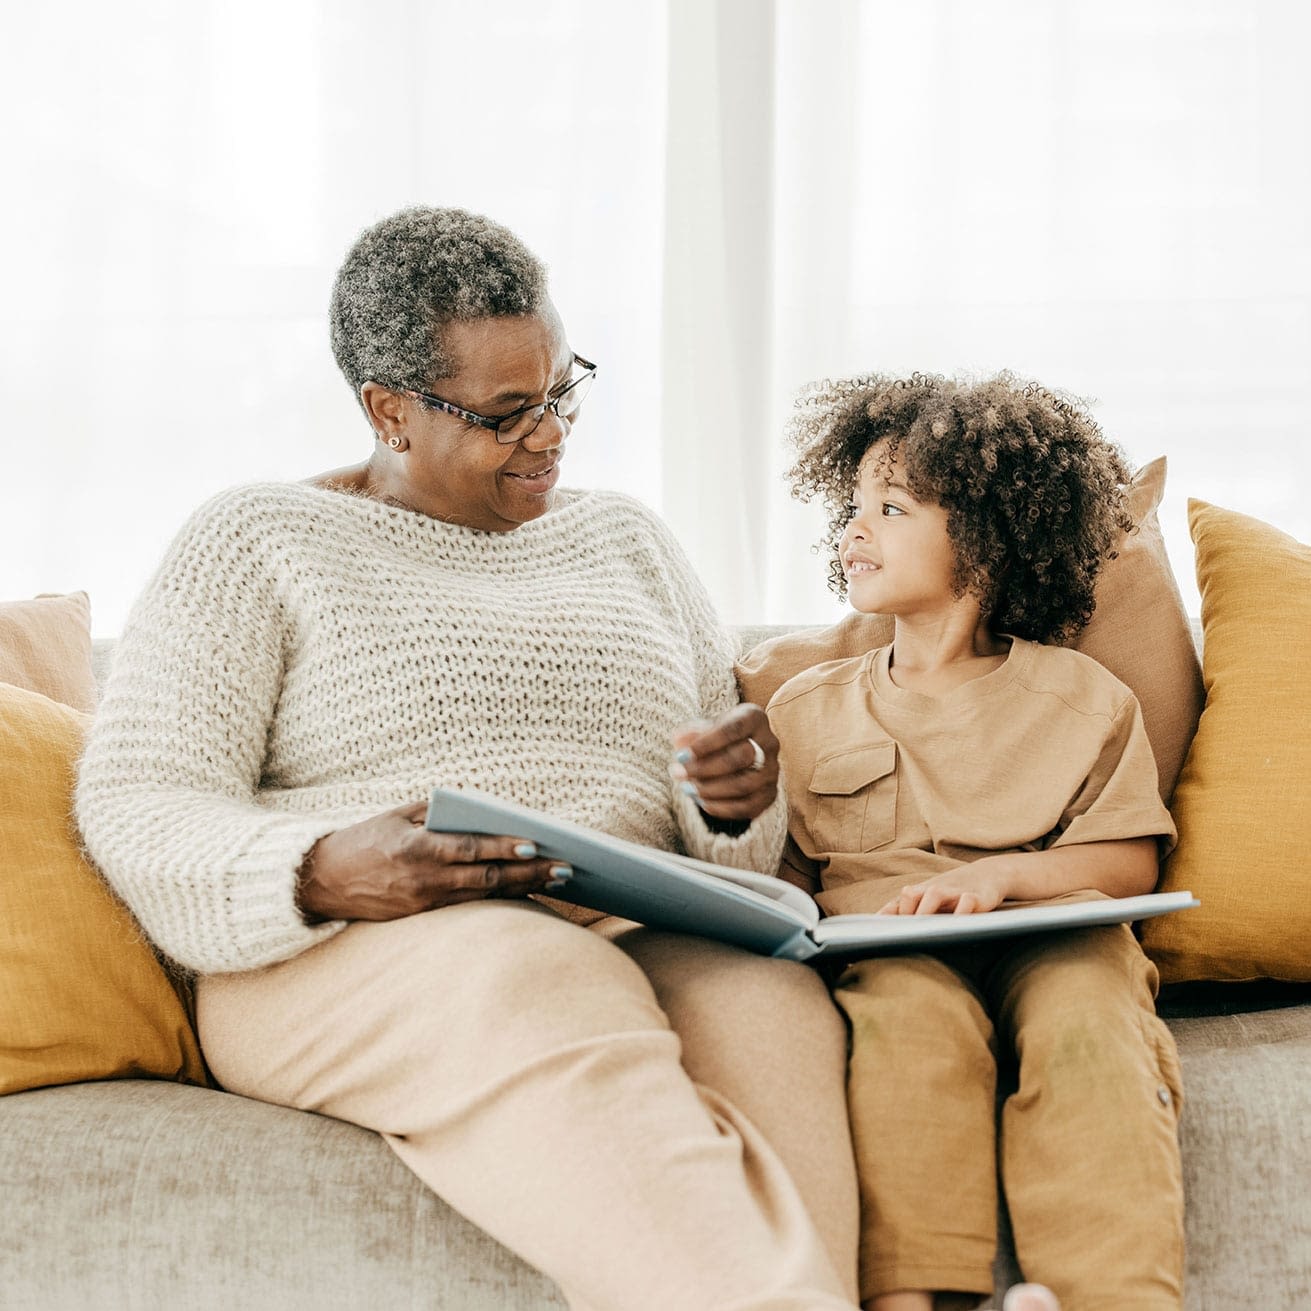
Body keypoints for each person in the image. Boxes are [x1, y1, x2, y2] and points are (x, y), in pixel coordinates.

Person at [75, 206, 861, 1311]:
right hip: (357, 944)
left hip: (636, 918)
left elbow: (722, 809)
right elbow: (138, 798)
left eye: (562, 392)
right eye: (506, 413)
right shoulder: (257, 540)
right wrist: (316, 867)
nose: (550, 435)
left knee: (772, 1007)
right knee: (542, 974)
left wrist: (734, 803)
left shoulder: (628, 540)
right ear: (388, 411)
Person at [759, 373, 1184, 1311]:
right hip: (892, 949)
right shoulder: (804, 708)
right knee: (911, 1032)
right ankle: (917, 1299)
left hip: (1055, 935)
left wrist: (1003, 878)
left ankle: (1110, 1297)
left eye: (892, 506)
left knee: (1092, 1031)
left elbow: (1127, 863)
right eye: (853, 505)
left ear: (987, 541)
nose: (853, 529)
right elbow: (786, 876)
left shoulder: (1083, 697)